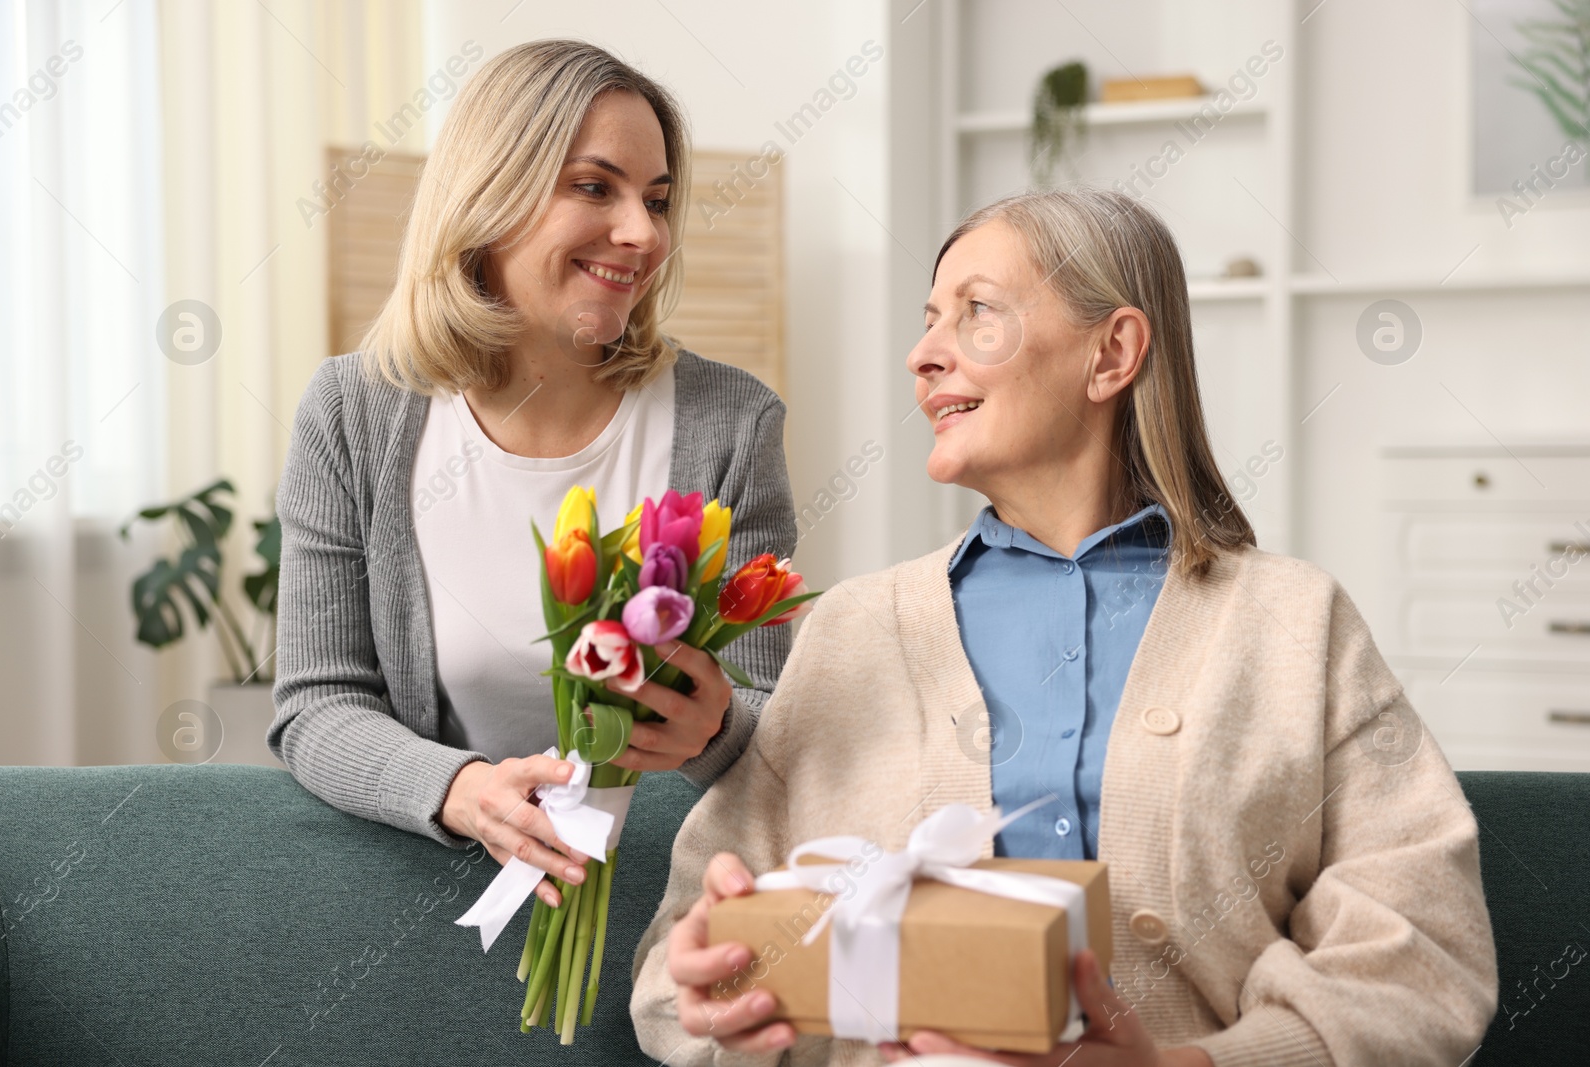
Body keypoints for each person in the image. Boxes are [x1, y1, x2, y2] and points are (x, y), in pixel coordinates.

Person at [629, 189, 1497, 1066]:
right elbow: (675, 972)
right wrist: (720, 990)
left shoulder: (1294, 626)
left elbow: (1427, 959)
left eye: (977, 315)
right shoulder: (852, 628)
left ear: (1111, 352)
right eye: (929, 320)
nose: (922, 356)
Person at [269, 40, 794, 910]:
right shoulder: (354, 412)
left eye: (657, 200)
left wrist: (716, 726)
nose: (644, 233)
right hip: (427, 890)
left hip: (669, 910)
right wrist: (464, 790)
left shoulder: (731, 423)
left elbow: (771, 718)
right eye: (595, 187)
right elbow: (318, 703)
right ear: (489, 196)